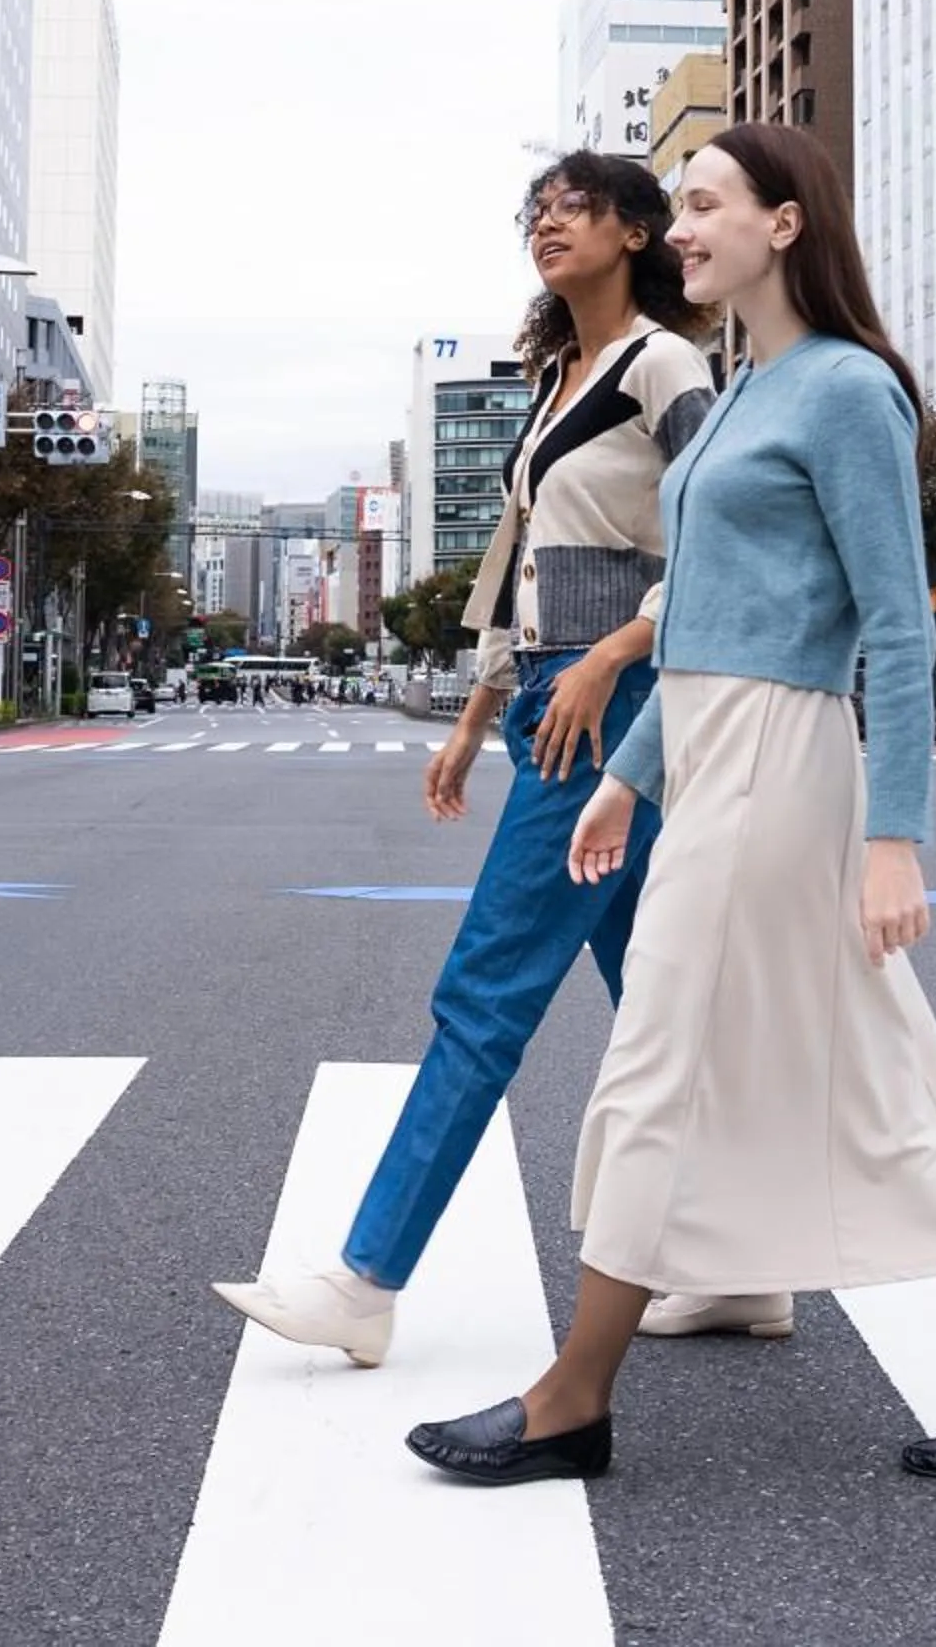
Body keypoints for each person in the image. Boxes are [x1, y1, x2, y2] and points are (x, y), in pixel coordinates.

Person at [405, 123, 936, 1487]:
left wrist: (895, 836)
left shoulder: (847, 391)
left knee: (657, 1055)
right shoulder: (739, 392)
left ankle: (573, 1397)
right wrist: (628, 775)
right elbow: (701, 626)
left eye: (705, 206)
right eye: (679, 211)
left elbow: (895, 626)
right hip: (714, 743)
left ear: (785, 224)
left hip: (784, 759)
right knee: (868, 1066)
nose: (680, 231)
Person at [213, 150, 746, 1365]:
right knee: (658, 997)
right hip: (557, 695)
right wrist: (471, 717)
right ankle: (744, 1270)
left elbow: (723, 535)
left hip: (616, 702)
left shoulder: (664, 364)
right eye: (536, 214)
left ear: (636, 233)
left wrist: (616, 654)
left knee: (487, 987)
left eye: (574, 209)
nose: (548, 226)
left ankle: (366, 1277)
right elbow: (524, 568)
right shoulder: (559, 381)